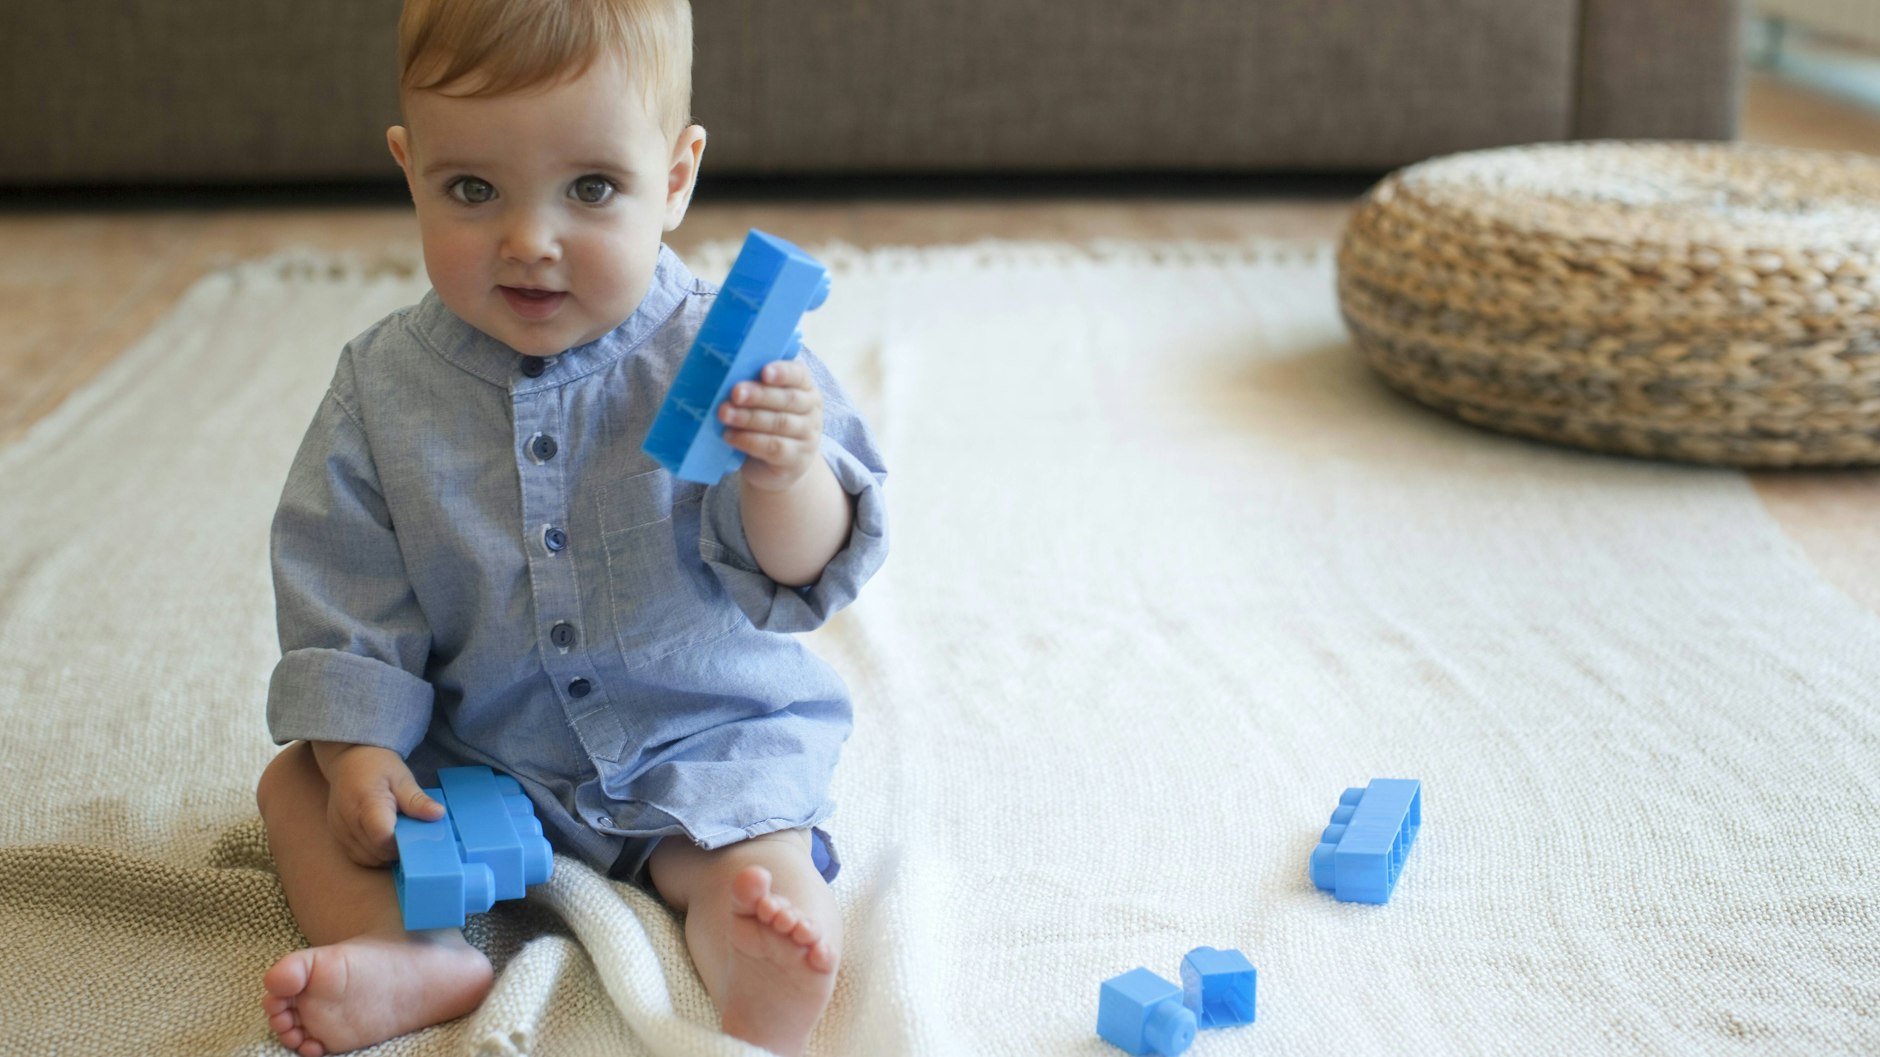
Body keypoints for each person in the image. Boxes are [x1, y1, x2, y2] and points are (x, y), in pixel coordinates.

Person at [252, 2, 888, 1054]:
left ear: (675, 179)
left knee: (753, 851)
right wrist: (360, 749)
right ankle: (412, 956)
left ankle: (754, 953)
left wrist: (786, 470)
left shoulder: (727, 359)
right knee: (298, 788)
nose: (529, 241)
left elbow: (798, 566)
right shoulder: (380, 387)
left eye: (590, 189)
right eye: (471, 189)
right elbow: (344, 582)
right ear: (410, 171)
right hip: (479, 749)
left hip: (701, 731)